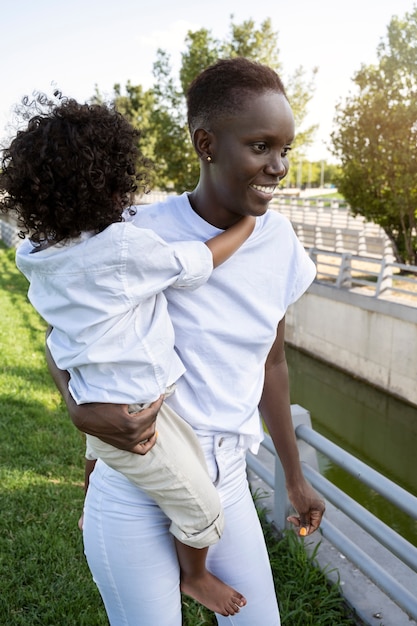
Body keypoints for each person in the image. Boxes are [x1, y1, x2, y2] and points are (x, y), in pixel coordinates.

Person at [45, 58, 326, 626]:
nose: (278, 166)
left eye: (285, 149)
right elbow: (63, 340)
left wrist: (294, 479)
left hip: (226, 481)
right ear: (206, 142)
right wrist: (80, 412)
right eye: (260, 146)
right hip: (134, 480)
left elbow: (272, 363)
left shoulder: (281, 244)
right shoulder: (135, 236)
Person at [0, 94, 258, 617]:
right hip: (139, 418)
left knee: (102, 458)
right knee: (205, 507)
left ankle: (90, 496)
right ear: (112, 181)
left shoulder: (38, 256)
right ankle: (196, 574)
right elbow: (196, 262)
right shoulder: (121, 250)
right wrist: (246, 226)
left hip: (100, 399)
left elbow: (56, 334)